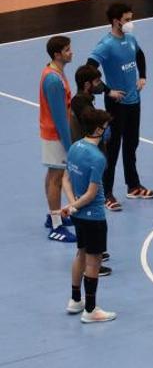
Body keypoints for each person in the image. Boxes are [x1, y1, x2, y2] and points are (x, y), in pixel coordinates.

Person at [87, 3, 153, 210]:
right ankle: (106, 193)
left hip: (134, 100)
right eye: (127, 19)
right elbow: (89, 70)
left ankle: (133, 186)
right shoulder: (105, 45)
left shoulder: (131, 39)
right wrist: (108, 91)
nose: (130, 23)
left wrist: (142, 76)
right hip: (116, 104)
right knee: (114, 148)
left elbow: (140, 55)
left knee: (131, 144)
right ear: (116, 21)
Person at [61, 108, 117, 323]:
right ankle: (91, 310)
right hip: (93, 216)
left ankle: (76, 300)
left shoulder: (75, 146)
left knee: (80, 254)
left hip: (79, 215)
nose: (107, 130)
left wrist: (72, 205)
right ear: (98, 129)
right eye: (106, 127)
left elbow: (66, 179)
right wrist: (75, 205)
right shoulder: (97, 157)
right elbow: (92, 194)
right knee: (93, 262)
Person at [70, 64, 113, 276]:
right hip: (88, 159)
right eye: (96, 83)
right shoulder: (81, 103)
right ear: (87, 84)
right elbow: (91, 120)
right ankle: (93, 258)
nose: (99, 86)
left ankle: (93, 251)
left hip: (87, 156)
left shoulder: (85, 100)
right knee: (92, 202)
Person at [40, 35, 75, 242]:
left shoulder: (56, 72)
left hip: (52, 132)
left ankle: (52, 215)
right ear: (57, 54)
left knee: (52, 174)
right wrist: (69, 145)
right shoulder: (53, 79)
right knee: (56, 178)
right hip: (56, 134)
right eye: (68, 49)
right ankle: (56, 225)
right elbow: (59, 116)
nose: (71, 52)